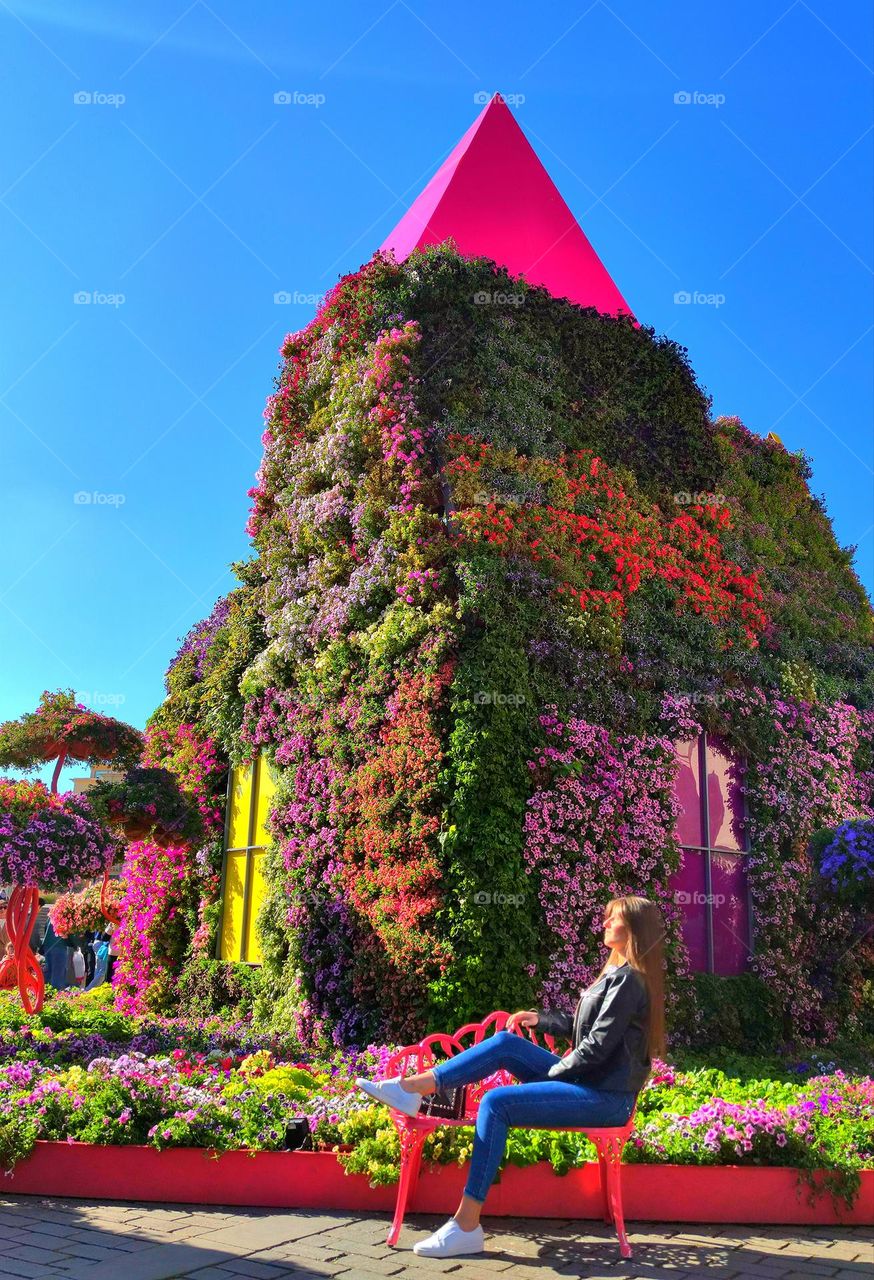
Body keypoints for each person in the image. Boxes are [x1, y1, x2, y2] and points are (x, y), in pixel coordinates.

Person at [356, 894, 666, 1259]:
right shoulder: (616, 975)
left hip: (605, 1098)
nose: (604, 924)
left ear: (632, 929)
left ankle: (466, 1225)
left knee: (496, 1103)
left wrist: (551, 1074)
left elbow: (596, 1049)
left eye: (612, 919)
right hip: (589, 1084)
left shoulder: (630, 980)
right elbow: (586, 1030)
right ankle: (417, 1088)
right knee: (505, 1042)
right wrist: (541, 1019)